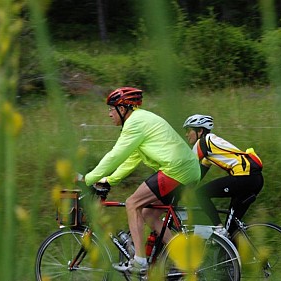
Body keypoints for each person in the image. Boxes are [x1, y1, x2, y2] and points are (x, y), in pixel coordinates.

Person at [84, 87, 200, 274]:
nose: (109, 114)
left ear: (122, 109)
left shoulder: (135, 123)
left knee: (132, 203)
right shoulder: (142, 120)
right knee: (148, 214)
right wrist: (109, 180)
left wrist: (89, 179)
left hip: (176, 170)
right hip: (187, 170)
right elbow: (132, 159)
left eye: (111, 109)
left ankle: (139, 261)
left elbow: (115, 156)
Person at [183, 114, 264, 236]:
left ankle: (218, 226)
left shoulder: (203, 143)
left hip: (244, 177)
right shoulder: (211, 145)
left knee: (201, 194)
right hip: (254, 179)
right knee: (231, 231)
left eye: (188, 130)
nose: (186, 135)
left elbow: (187, 167)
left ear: (199, 131)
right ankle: (235, 253)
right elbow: (197, 176)